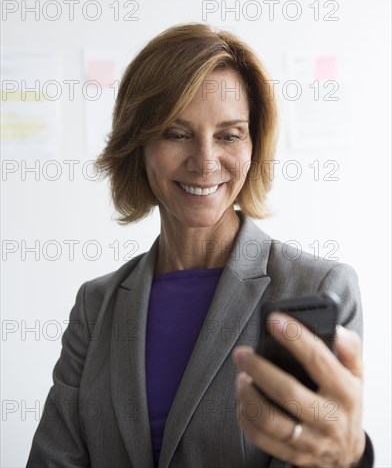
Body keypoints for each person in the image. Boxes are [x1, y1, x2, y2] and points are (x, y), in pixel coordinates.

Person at [27, 23, 374, 467]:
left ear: (253, 145)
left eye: (229, 135)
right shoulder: (97, 306)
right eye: (176, 133)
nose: (205, 161)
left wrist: (353, 456)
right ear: (139, 144)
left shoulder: (317, 287)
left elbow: (324, 449)